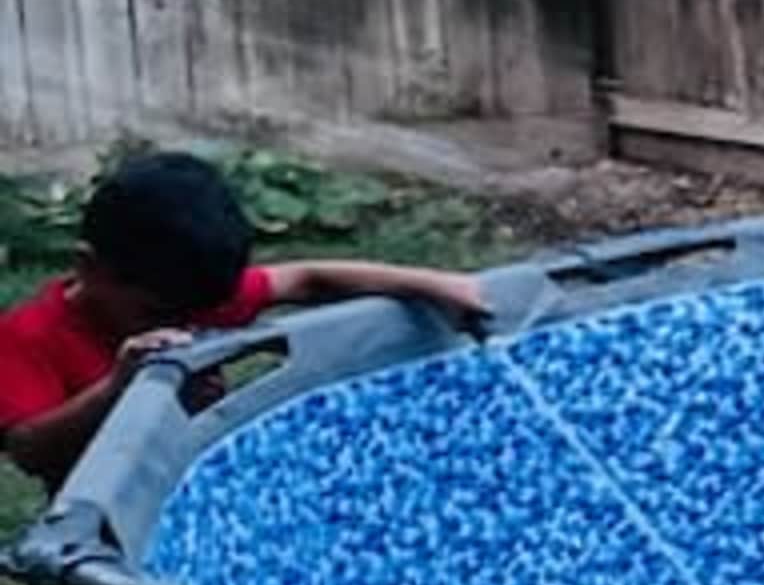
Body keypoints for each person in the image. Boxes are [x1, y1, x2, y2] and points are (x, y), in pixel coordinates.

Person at [0, 150, 494, 491]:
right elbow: (28, 449)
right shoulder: (29, 336)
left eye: (196, 314)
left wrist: (436, 286)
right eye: (155, 313)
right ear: (89, 267)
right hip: (98, 584)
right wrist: (119, 387)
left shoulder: (184, 295)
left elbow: (305, 278)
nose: (182, 326)